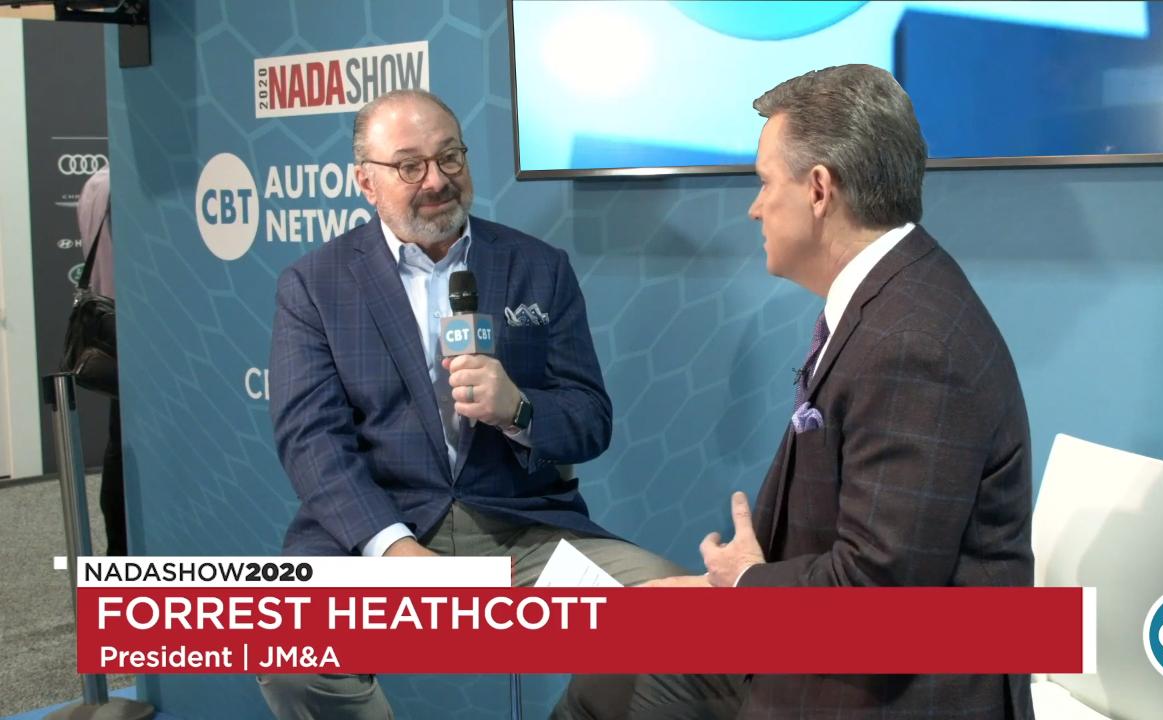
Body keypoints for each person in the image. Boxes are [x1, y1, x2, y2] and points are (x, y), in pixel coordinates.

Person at [564, 64, 1035, 719]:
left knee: (625, 686)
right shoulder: (892, 298)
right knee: (607, 675)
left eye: (764, 183)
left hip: (899, 693)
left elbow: (876, 602)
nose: (755, 208)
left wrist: (745, 585)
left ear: (818, 189)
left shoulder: (911, 343)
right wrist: (724, 590)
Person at [258, 89, 683, 719]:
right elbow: (311, 442)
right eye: (409, 166)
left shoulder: (538, 267)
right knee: (289, 651)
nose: (436, 180)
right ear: (366, 183)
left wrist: (519, 409)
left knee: (681, 616)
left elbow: (590, 420)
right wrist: (396, 552)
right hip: (382, 534)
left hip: (523, 533)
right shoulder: (315, 284)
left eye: (449, 157)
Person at [76, 165, 126, 557]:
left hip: (111, 329)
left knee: (120, 447)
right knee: (125, 449)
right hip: (134, 333)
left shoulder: (94, 184)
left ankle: (119, 554)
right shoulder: (122, 187)